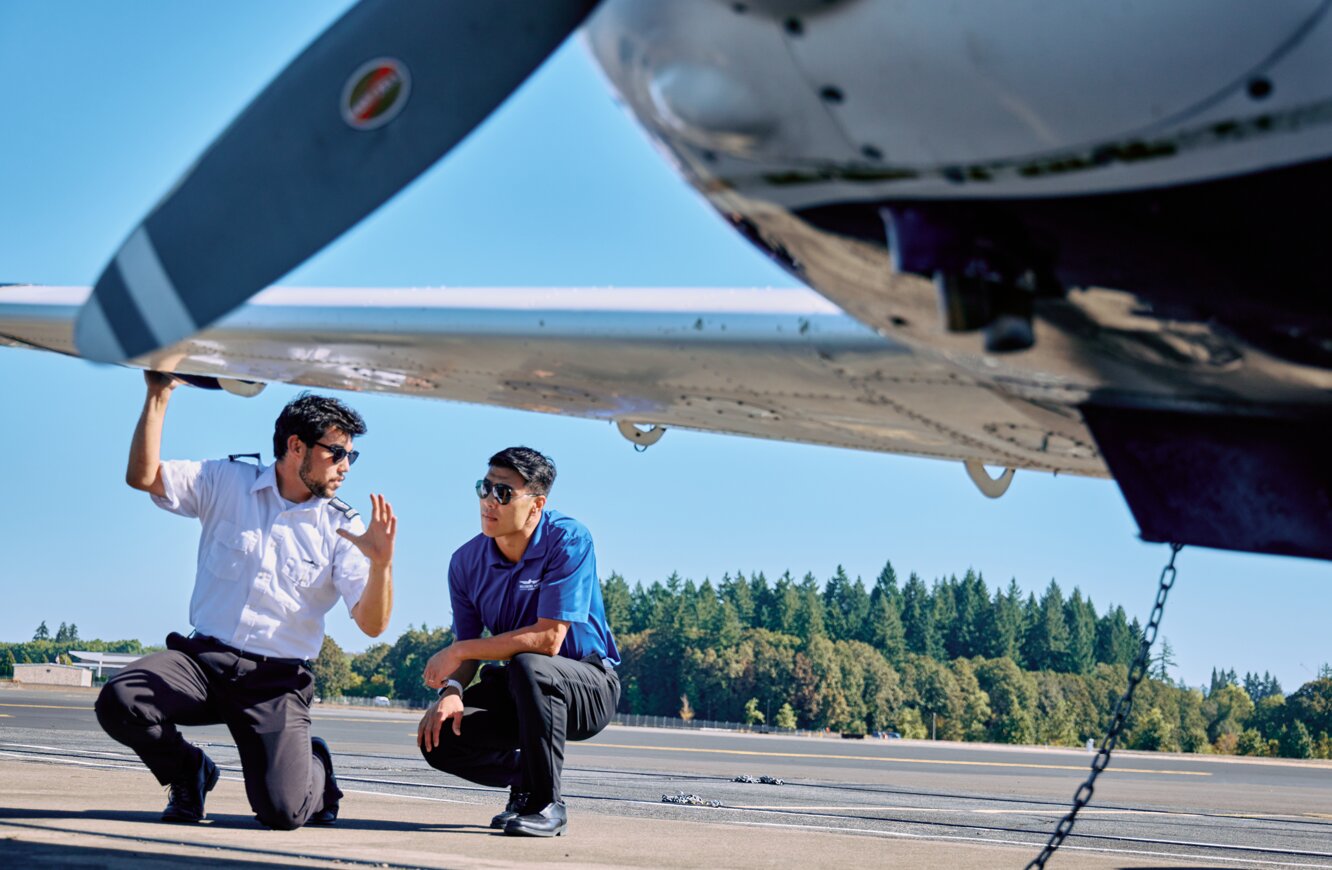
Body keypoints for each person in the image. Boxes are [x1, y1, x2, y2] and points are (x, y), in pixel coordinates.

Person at [95, 373, 397, 830]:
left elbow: (373, 626)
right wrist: (159, 392)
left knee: (283, 813)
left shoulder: (343, 528)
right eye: (336, 453)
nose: (346, 466)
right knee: (121, 698)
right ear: (296, 447)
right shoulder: (226, 481)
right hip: (204, 664)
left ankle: (314, 765)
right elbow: (142, 477)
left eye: (351, 455)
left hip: (276, 684)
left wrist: (380, 565)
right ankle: (188, 771)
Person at [417, 447, 619, 838]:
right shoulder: (465, 562)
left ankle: (547, 804)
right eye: (485, 488)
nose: (489, 501)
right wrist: (453, 688)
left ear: (536, 504)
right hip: (519, 688)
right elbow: (470, 643)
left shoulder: (568, 539)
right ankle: (526, 779)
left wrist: (459, 652)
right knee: (438, 737)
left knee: (531, 664)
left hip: (588, 687)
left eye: (503, 493)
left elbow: (548, 640)